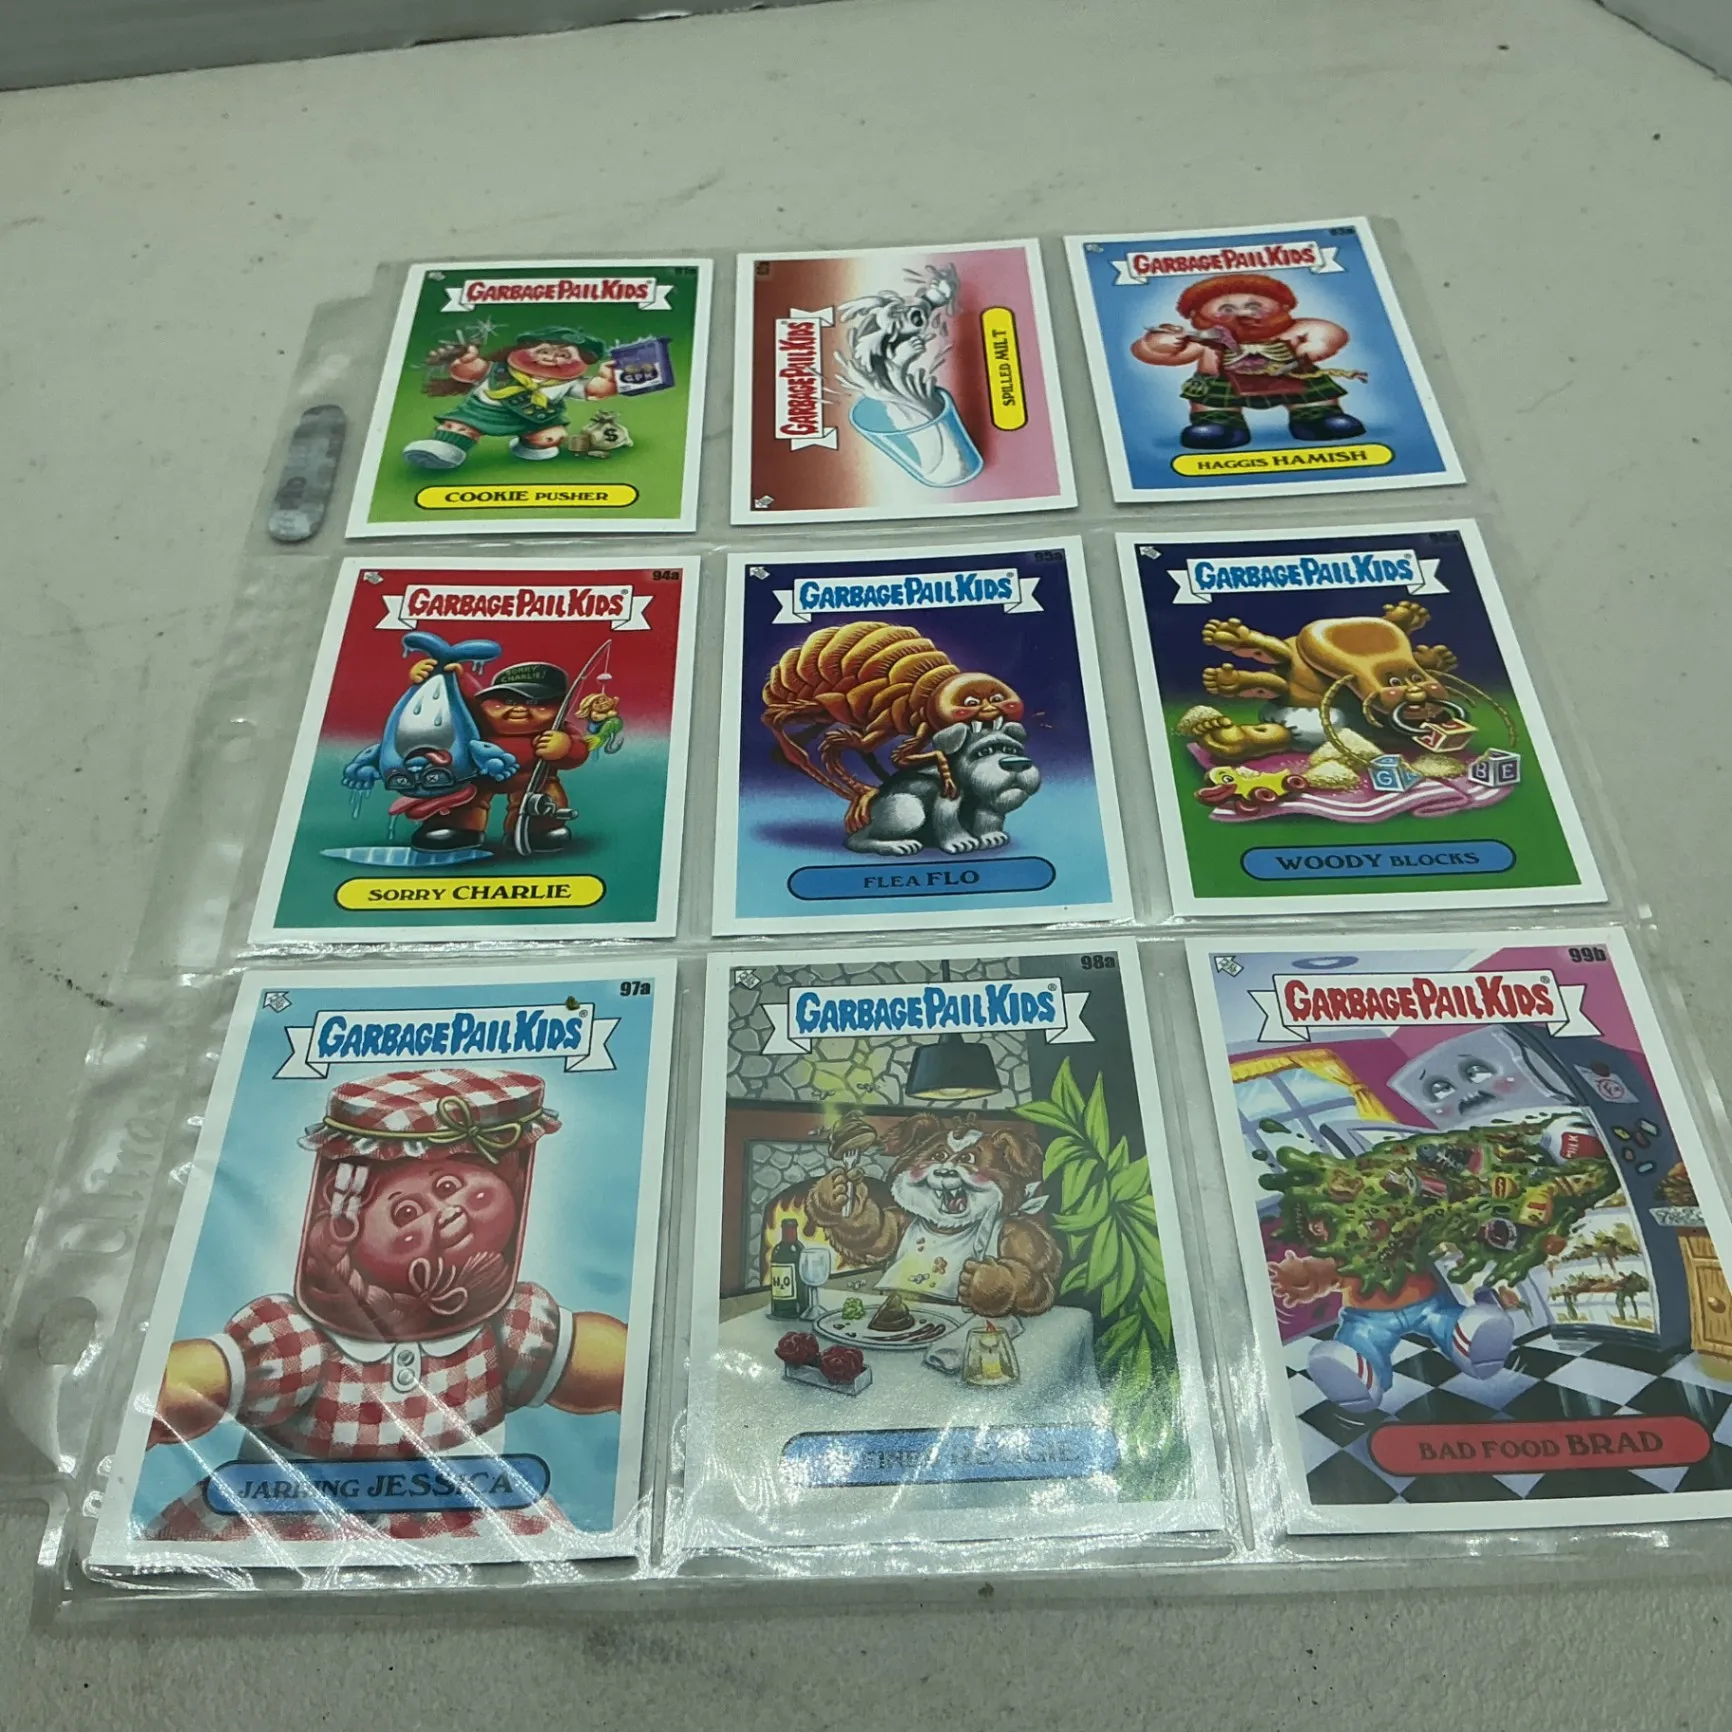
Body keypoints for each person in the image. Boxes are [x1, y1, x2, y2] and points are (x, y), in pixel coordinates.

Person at [1130, 271, 1365, 450]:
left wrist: (1315, 347)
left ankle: (1317, 419)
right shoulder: (1207, 341)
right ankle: (1220, 425)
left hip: (1292, 375)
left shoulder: (1296, 329)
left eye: (1254, 306)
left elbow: (1330, 333)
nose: (1243, 313)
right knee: (1213, 407)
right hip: (1223, 385)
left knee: (1313, 400)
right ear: (1198, 316)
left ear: (1283, 307)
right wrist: (1159, 344)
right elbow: (1165, 356)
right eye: (1226, 309)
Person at [404, 324, 618, 470]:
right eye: (544, 351)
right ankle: (444, 451)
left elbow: (595, 390)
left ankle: (530, 446)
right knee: (458, 428)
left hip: (535, 418)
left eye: (563, 355)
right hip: (482, 412)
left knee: (550, 436)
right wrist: (466, 361)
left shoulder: (568, 382)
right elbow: (468, 372)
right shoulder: (498, 369)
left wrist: (609, 378)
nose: (551, 358)